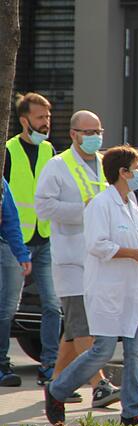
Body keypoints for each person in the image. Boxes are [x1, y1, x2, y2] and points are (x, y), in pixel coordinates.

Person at [44, 145, 138, 426]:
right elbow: (98, 245)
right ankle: (58, 390)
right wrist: (132, 253)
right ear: (123, 173)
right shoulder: (100, 204)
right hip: (108, 289)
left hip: (134, 290)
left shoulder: (132, 204)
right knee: (102, 349)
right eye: (136, 168)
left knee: (136, 350)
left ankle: (132, 411)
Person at [34, 110, 121, 407]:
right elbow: (43, 207)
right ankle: (99, 384)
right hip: (70, 258)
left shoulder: (103, 163)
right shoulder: (57, 166)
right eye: (87, 131)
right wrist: (82, 209)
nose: (94, 137)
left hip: (97, 259)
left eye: (98, 131)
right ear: (73, 134)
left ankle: (57, 382)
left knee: (74, 328)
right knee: (83, 323)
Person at [1, 92, 61, 387]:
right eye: (40, 117)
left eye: (48, 117)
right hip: (14, 242)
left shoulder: (50, 151)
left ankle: (49, 365)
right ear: (24, 120)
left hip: (45, 238)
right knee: (8, 306)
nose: (46, 122)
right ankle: (1, 364)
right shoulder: (8, 151)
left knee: (52, 304)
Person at [0, 178, 33, 386]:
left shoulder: (1, 182)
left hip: (6, 246)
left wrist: (21, 253)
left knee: (7, 309)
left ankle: (2, 363)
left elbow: (11, 218)